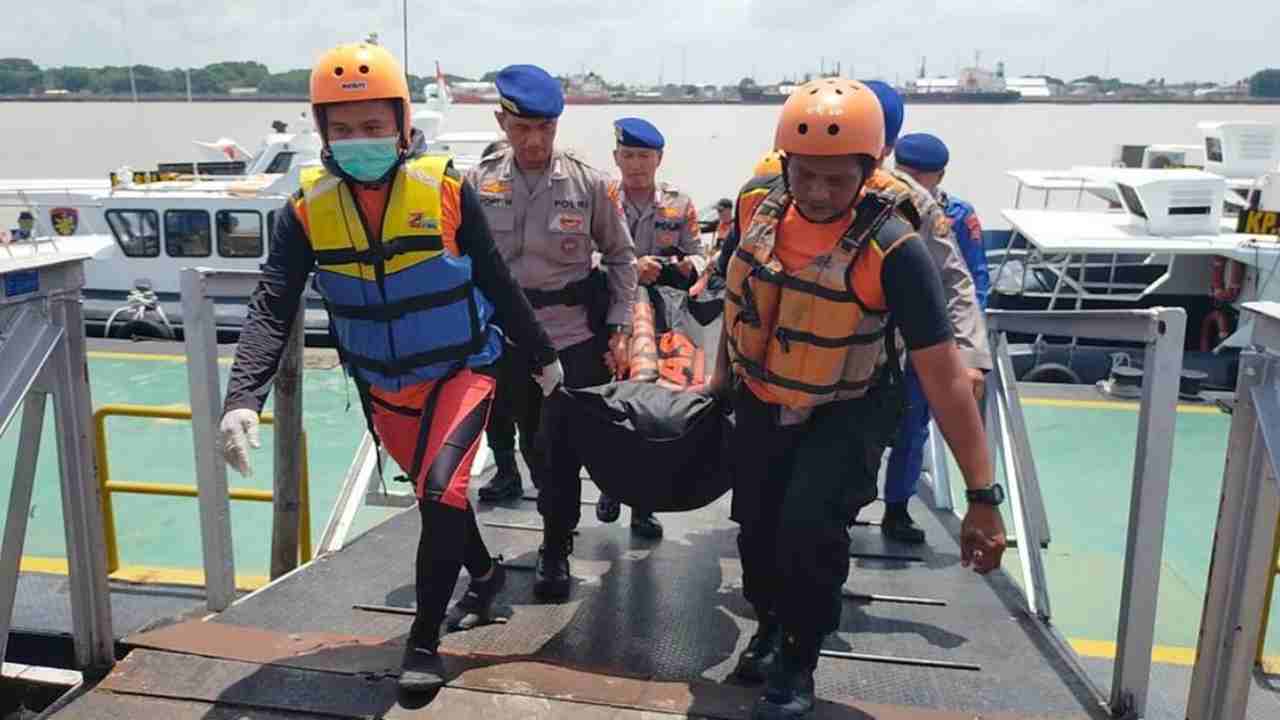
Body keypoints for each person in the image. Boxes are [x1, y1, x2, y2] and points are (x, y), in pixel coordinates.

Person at [216, 42, 560, 695]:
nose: (359, 141)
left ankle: (424, 643)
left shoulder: (450, 190)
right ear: (322, 133)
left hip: (463, 368)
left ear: (402, 124)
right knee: (442, 498)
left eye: (373, 126)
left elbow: (497, 281)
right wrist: (241, 398)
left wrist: (543, 357)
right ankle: (485, 580)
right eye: (342, 130)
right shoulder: (305, 212)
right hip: (384, 387)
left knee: (441, 491)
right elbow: (271, 305)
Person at [707, 78, 1006, 719]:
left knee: (810, 529)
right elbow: (741, 305)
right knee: (756, 529)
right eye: (804, 176)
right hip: (764, 393)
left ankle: (798, 657)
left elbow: (943, 373)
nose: (816, 194)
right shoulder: (756, 209)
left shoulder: (894, 247)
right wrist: (715, 392)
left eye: (836, 181)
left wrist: (982, 497)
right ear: (784, 166)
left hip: (851, 401)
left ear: (869, 173)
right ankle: (766, 624)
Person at [465, 64, 638, 601]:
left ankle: (556, 548)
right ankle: (548, 524)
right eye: (522, 129)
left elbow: (621, 256)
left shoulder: (587, 185)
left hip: (568, 339)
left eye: (545, 129)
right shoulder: (479, 181)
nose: (534, 140)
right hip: (503, 339)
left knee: (559, 449)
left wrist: (620, 326)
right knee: (523, 441)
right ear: (502, 122)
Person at [858, 80, 992, 544]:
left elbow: (965, 281)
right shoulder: (813, 187)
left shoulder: (936, 211)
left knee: (912, 426)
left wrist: (968, 353)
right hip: (858, 339)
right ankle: (850, 501)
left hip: (917, 339)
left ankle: (896, 507)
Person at [589, 116, 703, 538]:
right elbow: (578, 256)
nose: (636, 164)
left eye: (644, 156)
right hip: (611, 317)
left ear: (659, 159)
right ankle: (609, 486)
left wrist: (672, 266)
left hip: (660, 322)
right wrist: (628, 266)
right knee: (611, 403)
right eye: (629, 155)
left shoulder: (680, 204)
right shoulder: (598, 197)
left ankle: (643, 504)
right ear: (617, 157)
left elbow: (700, 259)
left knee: (650, 408)